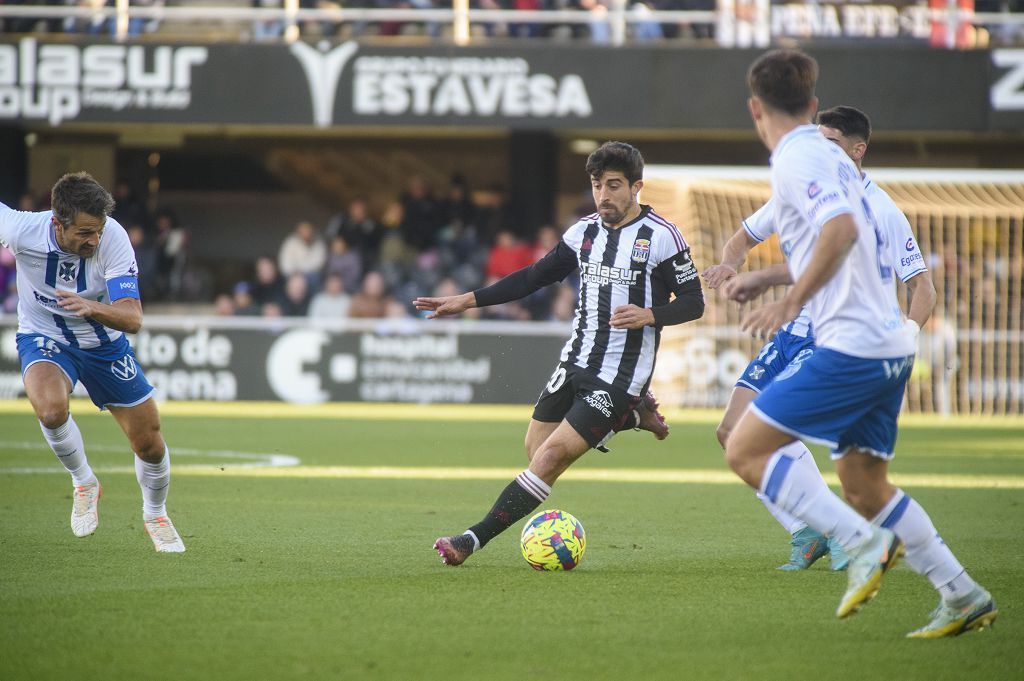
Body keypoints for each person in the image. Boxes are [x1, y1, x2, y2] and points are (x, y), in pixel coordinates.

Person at [722, 49, 994, 637]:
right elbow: (838, 243)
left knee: (743, 447)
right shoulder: (840, 165)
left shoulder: (797, 158)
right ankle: (962, 593)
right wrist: (765, 278)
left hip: (850, 343)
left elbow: (840, 233)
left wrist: (787, 302)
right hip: (889, 343)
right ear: (813, 106)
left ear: (754, 109)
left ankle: (857, 540)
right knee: (865, 484)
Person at [415, 141, 702, 567]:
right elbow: (535, 277)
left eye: (614, 185)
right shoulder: (583, 232)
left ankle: (469, 541)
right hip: (576, 360)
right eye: (596, 185)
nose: (603, 194)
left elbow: (694, 302)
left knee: (549, 461)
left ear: (636, 186)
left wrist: (650, 315)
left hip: (619, 375)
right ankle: (632, 417)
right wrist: (468, 300)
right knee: (536, 449)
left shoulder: (661, 237)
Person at [704, 105, 938, 572]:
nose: (819, 150)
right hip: (791, 329)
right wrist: (731, 264)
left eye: (831, 143)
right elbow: (742, 238)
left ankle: (852, 536)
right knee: (730, 431)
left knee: (769, 439)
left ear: (857, 150)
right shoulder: (802, 186)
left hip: (837, 334)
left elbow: (922, 286)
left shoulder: (880, 209)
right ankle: (807, 532)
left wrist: (910, 332)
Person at [0, 172, 185, 552]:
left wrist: (92, 307)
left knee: (149, 443)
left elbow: (133, 318)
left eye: (97, 230)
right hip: (44, 336)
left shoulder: (112, 238)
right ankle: (84, 481)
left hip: (104, 345)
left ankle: (155, 513)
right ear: (58, 222)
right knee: (50, 410)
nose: (94, 240)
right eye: (85, 232)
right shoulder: (21, 231)